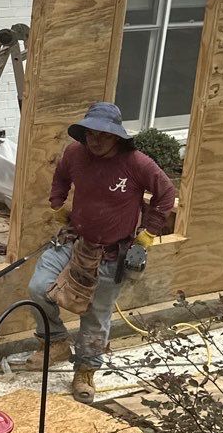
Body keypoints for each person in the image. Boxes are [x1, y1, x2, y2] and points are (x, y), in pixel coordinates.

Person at [27, 101, 178, 403]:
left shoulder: (137, 164)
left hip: (112, 253)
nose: (95, 141)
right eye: (90, 134)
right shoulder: (75, 154)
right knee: (38, 287)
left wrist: (148, 234)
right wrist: (58, 203)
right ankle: (54, 340)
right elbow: (61, 176)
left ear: (117, 137)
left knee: (96, 316)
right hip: (74, 242)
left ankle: (86, 370)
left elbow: (167, 194)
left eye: (103, 135)